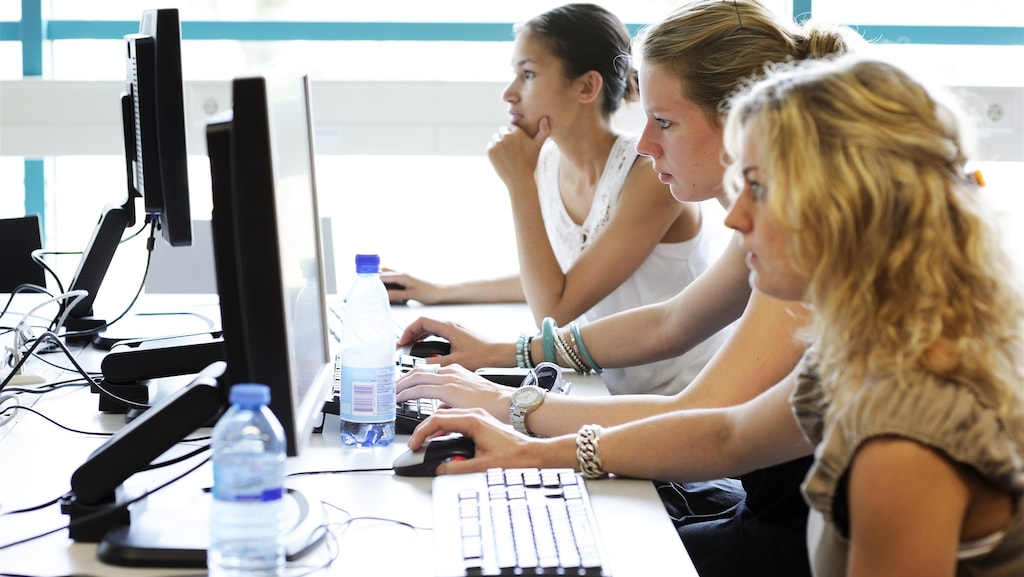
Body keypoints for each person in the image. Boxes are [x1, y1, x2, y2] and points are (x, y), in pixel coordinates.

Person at [405, 55, 1024, 575]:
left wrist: (520, 415)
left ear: (843, 207)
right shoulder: (873, 344)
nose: (734, 216)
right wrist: (527, 450)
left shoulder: (906, 433)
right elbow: (728, 435)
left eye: (758, 185)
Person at [398, 2, 859, 576]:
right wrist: (509, 359)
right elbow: (671, 322)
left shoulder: (802, 241)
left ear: (745, 121)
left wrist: (516, 413)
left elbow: (714, 425)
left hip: (793, 537)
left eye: (664, 122)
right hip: (767, 503)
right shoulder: (778, 222)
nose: (644, 143)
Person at [385, 3, 732, 396]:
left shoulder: (652, 173)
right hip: (609, 385)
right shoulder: (549, 161)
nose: (509, 93)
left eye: (528, 74)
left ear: (586, 87)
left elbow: (555, 308)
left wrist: (520, 186)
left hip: (680, 393)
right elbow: (566, 276)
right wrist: (440, 291)